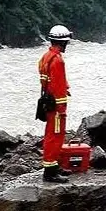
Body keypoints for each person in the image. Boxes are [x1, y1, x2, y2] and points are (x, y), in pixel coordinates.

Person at [38, 25, 73, 183]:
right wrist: (61, 109)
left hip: (48, 101)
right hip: (56, 106)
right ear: (62, 42)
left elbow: (47, 81)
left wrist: (65, 87)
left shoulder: (46, 57)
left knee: (51, 134)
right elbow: (57, 86)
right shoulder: (57, 60)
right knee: (55, 136)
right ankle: (50, 172)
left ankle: (54, 166)